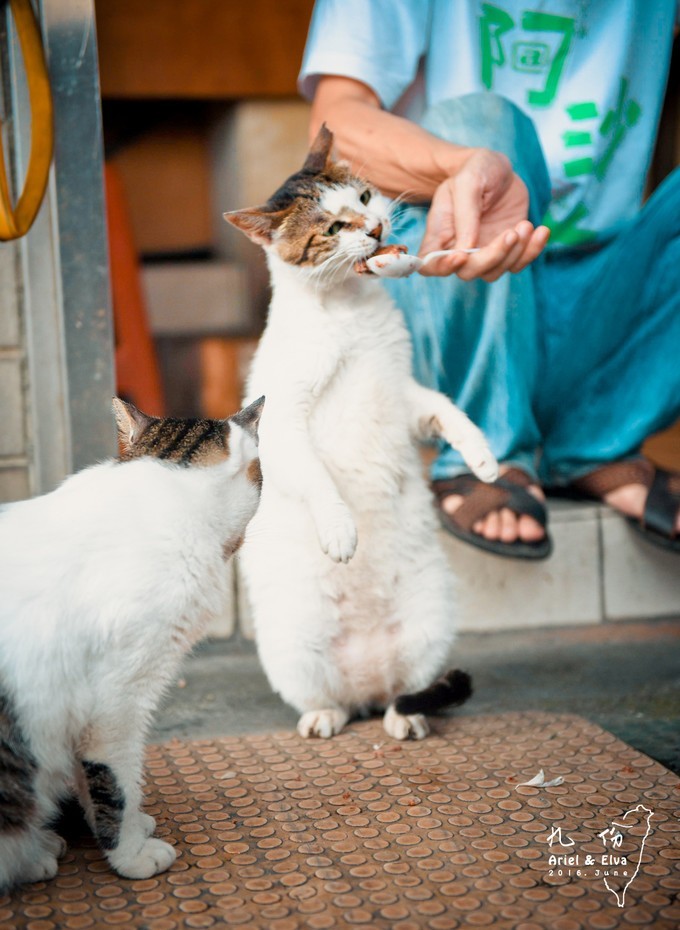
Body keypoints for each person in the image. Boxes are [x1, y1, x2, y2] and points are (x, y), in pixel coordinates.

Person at [298, 0, 680, 559]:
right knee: (485, 124)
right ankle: (483, 442)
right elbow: (334, 125)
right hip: (447, 305)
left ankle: (599, 436)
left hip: (594, 312)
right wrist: (460, 166)